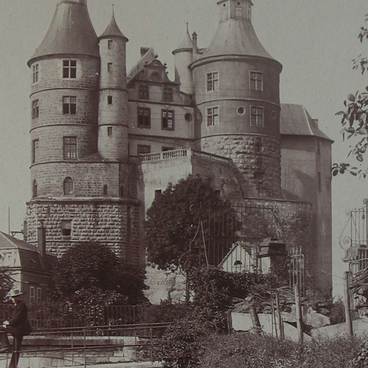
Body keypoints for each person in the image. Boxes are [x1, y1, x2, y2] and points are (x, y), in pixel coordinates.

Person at [2, 289, 30, 368]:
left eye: (15, 297)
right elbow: (14, 318)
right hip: (16, 328)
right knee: (16, 349)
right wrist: (7, 321)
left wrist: (8, 323)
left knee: (1, 328)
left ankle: (5, 345)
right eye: (12, 297)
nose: (13, 299)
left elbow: (18, 318)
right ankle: (12, 366)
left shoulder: (22, 305)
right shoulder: (16, 306)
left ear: (19, 297)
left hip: (19, 329)